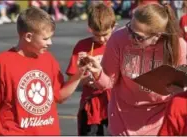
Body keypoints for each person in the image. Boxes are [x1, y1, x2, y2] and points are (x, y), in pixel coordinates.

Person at [80, 3, 187, 135]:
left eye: (138, 37)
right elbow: (108, 83)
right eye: (130, 28)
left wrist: (177, 89)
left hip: (159, 122)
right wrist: (98, 73)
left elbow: (181, 90)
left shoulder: (177, 46)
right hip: (122, 121)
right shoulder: (119, 38)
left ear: (157, 36)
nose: (130, 37)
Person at [0, 7, 86, 136]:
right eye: (45, 39)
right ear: (28, 36)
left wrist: (78, 75)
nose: (50, 42)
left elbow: (59, 96)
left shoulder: (48, 59)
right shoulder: (3, 62)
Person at [66, 3, 116, 136]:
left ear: (113, 27)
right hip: (91, 107)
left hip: (114, 106)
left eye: (105, 34)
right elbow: (72, 80)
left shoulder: (118, 44)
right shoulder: (83, 46)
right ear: (90, 29)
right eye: (96, 34)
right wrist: (84, 77)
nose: (101, 39)